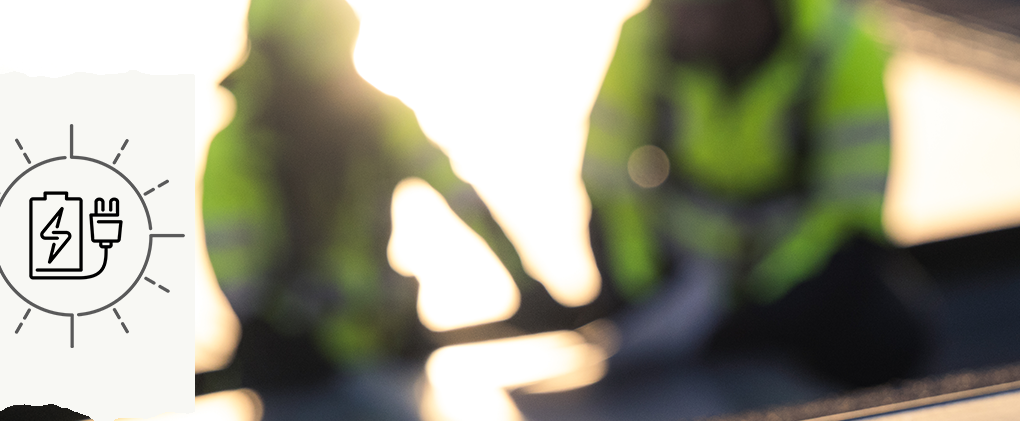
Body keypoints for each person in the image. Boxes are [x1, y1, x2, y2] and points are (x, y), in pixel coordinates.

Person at [202, 0, 562, 389]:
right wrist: (266, 331)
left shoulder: (374, 117)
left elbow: (459, 196)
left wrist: (526, 284)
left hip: (388, 352)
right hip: (301, 372)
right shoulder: (243, 148)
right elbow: (236, 262)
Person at [576, 0, 931, 388]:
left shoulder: (844, 46)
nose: (673, 15)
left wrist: (748, 305)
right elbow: (607, 184)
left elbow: (849, 215)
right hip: (680, 266)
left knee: (888, 334)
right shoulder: (647, 32)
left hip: (786, 268)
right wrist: (640, 291)